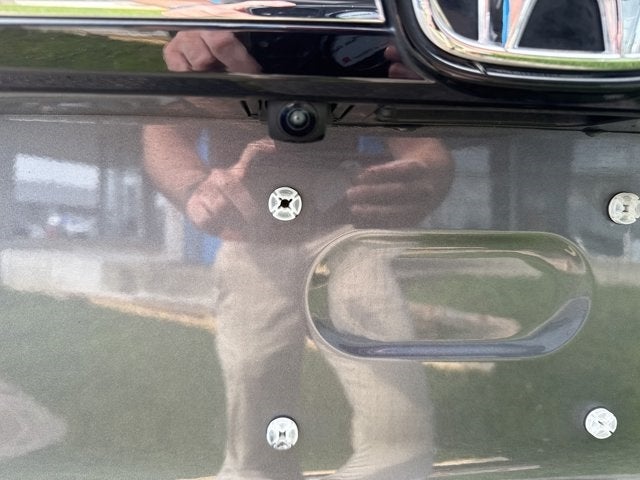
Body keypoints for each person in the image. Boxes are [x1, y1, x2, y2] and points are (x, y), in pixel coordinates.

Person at [144, 14, 454, 479]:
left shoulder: (365, 28)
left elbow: (421, 143)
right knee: (253, 391)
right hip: (255, 237)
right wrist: (194, 187)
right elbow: (165, 128)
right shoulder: (219, 21)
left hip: (347, 233)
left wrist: (425, 177)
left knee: (395, 413)